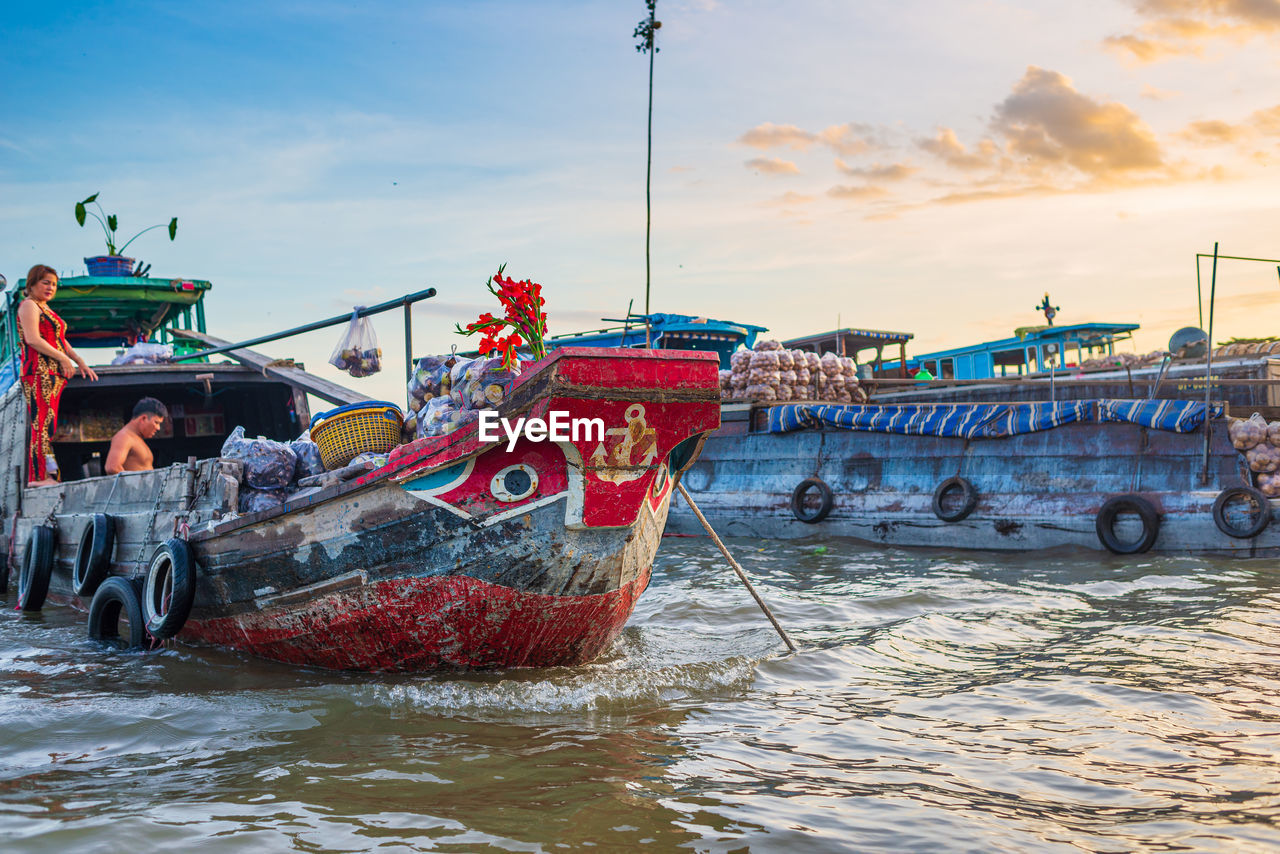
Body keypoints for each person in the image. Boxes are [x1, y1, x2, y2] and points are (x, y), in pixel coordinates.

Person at [18, 264, 98, 485]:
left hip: (53, 375)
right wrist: (63, 359)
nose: (50, 287)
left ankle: (48, 475)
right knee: (41, 425)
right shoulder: (29, 306)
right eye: (45, 282)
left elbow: (61, 341)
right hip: (38, 372)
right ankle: (38, 477)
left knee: (49, 427)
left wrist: (79, 360)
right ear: (32, 283)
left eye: (53, 284)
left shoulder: (47, 310)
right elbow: (32, 339)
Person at [105, 397, 169, 474]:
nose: (158, 428)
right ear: (143, 418)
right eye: (156, 422)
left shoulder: (135, 438)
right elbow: (112, 467)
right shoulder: (124, 436)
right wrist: (134, 485)